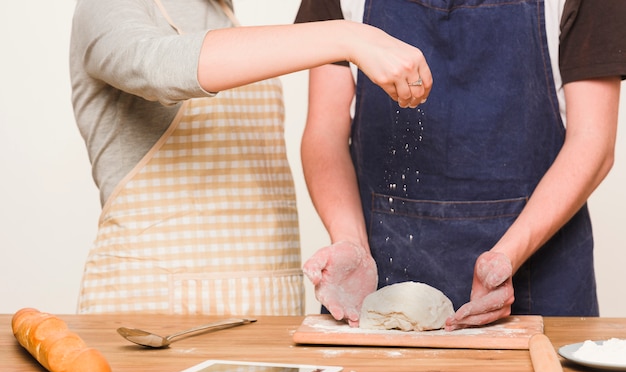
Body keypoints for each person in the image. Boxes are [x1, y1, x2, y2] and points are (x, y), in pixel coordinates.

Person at [69, 0, 431, 315]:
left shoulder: (223, 15)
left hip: (263, 308)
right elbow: (156, 66)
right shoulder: (105, 6)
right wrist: (349, 36)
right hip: (154, 315)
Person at [295, 0, 626, 328]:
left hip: (542, 278)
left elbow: (592, 142)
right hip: (378, 270)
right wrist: (350, 241)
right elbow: (325, 131)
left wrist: (506, 256)